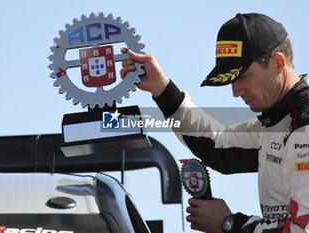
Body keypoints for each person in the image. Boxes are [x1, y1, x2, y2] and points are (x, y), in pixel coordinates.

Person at [120, 13, 309, 233]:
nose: (235, 91)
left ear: (277, 62)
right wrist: (162, 90)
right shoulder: (277, 122)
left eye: (242, 76)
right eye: (230, 80)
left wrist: (229, 224)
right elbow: (217, 145)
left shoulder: (303, 127)